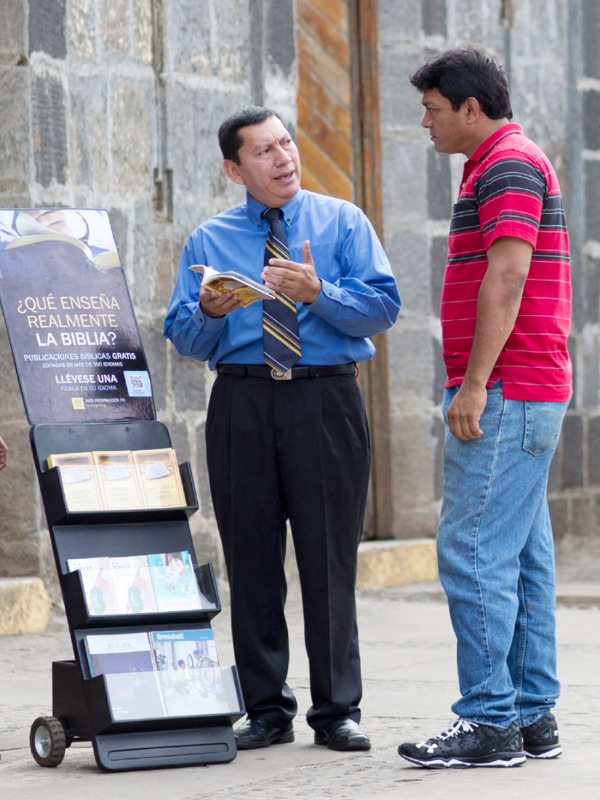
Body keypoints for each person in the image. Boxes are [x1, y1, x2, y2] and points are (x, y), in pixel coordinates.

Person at [164, 105, 400, 751]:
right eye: (264, 151)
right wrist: (210, 312)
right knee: (252, 559)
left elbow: (383, 305)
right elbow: (183, 334)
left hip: (325, 399)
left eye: (286, 143)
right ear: (233, 168)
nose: (283, 158)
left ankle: (337, 711)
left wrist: (317, 292)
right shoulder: (208, 240)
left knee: (329, 558)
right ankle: (267, 709)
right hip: (242, 404)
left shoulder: (342, 222)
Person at [398, 45, 572, 769]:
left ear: (473, 108)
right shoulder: (504, 160)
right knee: (523, 559)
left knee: (469, 555)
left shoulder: (505, 163)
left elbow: (507, 278)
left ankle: (489, 721)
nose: (426, 123)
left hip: (505, 390)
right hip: (527, 387)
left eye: (434, 110)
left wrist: (473, 385)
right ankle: (530, 715)